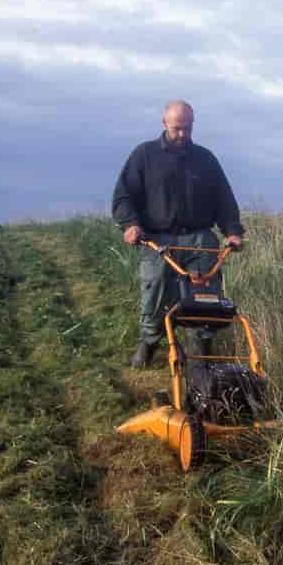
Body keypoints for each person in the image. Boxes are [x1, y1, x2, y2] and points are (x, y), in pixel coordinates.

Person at [112, 100, 245, 368]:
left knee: (205, 297)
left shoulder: (205, 159)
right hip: (157, 238)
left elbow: (224, 199)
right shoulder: (144, 155)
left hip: (200, 239)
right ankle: (150, 342)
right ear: (164, 124)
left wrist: (232, 232)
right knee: (155, 292)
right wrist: (130, 224)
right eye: (177, 129)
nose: (182, 134)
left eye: (187, 128)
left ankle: (203, 352)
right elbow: (124, 196)